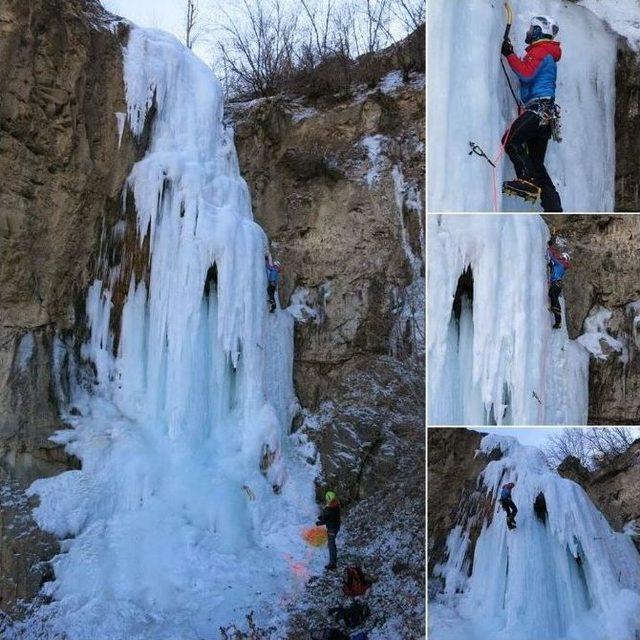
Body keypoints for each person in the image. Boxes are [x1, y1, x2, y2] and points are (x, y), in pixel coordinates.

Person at [501, 16, 563, 212]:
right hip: (546, 114)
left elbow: (526, 73)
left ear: (538, 31)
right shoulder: (546, 52)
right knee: (536, 163)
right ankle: (553, 206)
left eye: (531, 29)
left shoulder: (540, 50)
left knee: (510, 139)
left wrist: (510, 54)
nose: (528, 32)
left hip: (538, 110)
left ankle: (526, 180)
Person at [547, 237, 570, 329]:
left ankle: (556, 308)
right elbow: (553, 263)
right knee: (554, 296)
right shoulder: (562, 266)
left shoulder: (560, 264)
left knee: (552, 294)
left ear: (564, 259)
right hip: (558, 284)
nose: (560, 257)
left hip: (556, 283)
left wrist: (550, 246)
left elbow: (552, 257)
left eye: (562, 257)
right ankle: (558, 321)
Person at [316, 490, 341, 570]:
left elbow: (324, 520)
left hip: (331, 528)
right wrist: (323, 517)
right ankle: (333, 559)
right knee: (331, 543)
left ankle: (333, 564)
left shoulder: (329, 510)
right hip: (336, 525)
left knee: (331, 545)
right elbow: (328, 516)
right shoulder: (337, 504)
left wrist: (318, 523)